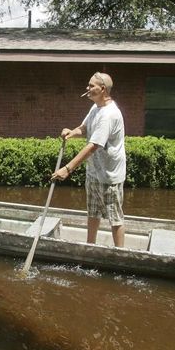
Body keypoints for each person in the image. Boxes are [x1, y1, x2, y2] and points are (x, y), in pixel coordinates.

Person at [51, 72, 126, 247]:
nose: (88, 88)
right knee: (93, 212)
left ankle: (121, 254)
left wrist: (67, 169)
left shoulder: (109, 114)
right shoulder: (96, 107)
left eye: (91, 86)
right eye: (88, 85)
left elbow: (93, 145)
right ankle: (90, 247)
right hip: (94, 172)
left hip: (109, 175)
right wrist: (72, 132)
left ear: (103, 89)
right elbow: (84, 128)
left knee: (115, 218)